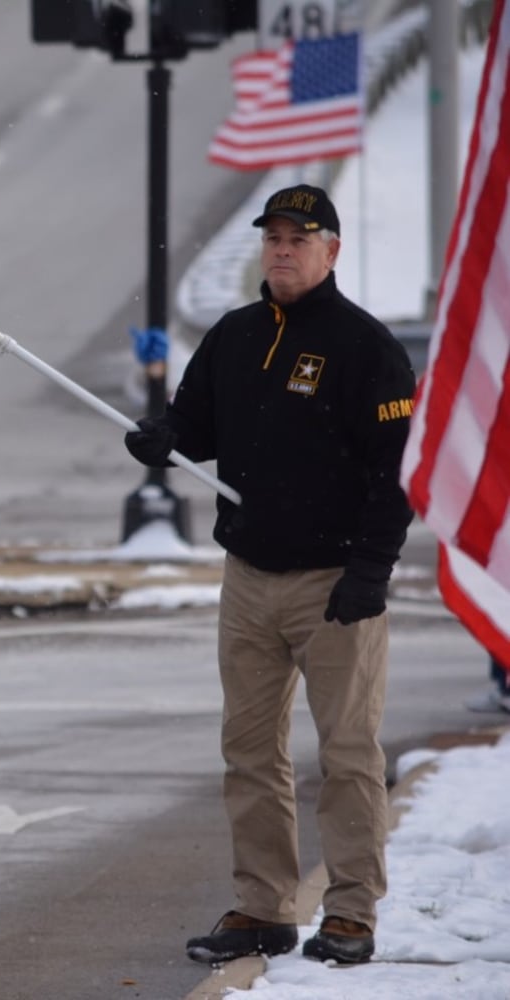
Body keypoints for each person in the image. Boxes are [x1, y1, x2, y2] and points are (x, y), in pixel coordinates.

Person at [125, 184, 417, 967]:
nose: (283, 250)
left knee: (348, 754)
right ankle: (262, 907)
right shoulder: (234, 335)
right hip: (248, 577)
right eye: (274, 237)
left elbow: (397, 478)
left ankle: (350, 913)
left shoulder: (366, 349)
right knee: (248, 751)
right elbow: (196, 422)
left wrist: (369, 572)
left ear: (331, 250)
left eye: (300, 237)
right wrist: (163, 437)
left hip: (333, 584)